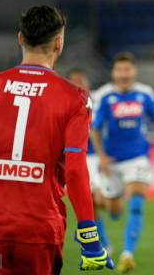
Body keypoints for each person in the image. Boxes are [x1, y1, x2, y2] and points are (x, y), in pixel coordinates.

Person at [0, 6, 113, 273]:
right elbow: (74, 171)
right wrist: (89, 238)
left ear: (20, 39)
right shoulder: (76, 98)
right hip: (39, 236)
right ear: (59, 44)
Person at [91, 52, 154, 273]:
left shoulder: (145, 94)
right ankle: (106, 241)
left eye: (127, 69)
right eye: (119, 70)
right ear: (113, 73)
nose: (124, 74)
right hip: (112, 161)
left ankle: (127, 255)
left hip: (138, 157)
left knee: (137, 203)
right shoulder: (104, 96)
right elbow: (95, 129)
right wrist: (101, 156)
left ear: (134, 72)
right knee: (113, 211)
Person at [67, 67, 112, 253]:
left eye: (81, 80)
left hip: (93, 157)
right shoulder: (65, 102)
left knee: (99, 202)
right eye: (74, 80)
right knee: (90, 203)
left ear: (87, 82)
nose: (78, 84)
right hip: (76, 156)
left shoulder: (97, 101)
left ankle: (113, 205)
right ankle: (102, 243)